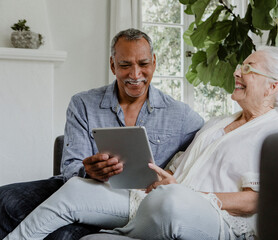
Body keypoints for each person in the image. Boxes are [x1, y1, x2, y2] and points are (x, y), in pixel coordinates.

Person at [4, 46, 278, 240]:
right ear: (113, 66)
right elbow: (183, 167)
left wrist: (188, 192)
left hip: (209, 216)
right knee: (74, 190)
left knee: (171, 205)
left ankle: (128, 227)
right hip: (159, 197)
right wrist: (160, 177)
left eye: (247, 68)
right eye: (240, 66)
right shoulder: (218, 122)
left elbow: (255, 200)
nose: (237, 72)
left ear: (272, 87)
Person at [0, 28, 204, 240]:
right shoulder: (83, 104)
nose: (135, 75)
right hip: (79, 186)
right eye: (125, 65)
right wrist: (88, 171)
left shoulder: (181, 115)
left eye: (143, 64)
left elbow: (212, 146)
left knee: (63, 234)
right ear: (112, 65)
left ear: (153, 62)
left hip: (127, 202)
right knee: (4, 199)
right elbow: (70, 168)